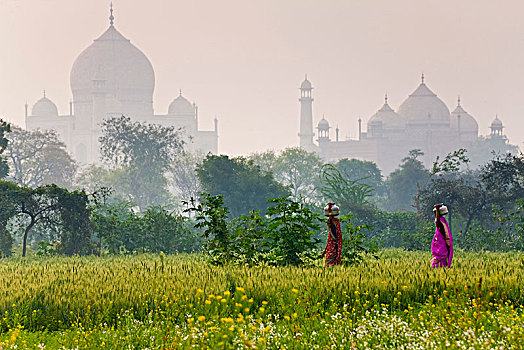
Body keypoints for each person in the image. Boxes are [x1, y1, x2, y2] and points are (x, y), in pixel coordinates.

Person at [430, 203, 453, 268]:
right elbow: (437, 221)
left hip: (442, 243)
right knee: (440, 257)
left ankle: (442, 268)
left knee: (442, 257)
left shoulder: (442, 221)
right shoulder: (441, 221)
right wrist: (437, 209)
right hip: (440, 243)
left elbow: (438, 221)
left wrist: (437, 209)